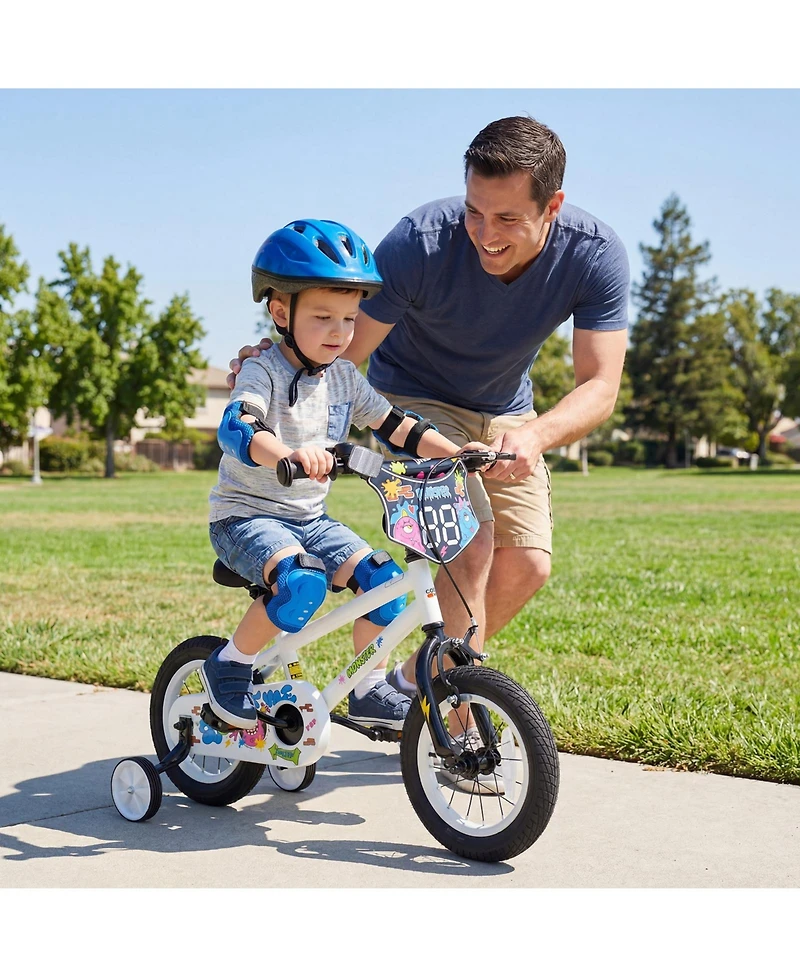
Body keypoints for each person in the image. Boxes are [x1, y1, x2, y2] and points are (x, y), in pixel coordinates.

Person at [228, 115, 630, 698]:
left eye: (507, 218)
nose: (484, 232)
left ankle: (420, 677)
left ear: (553, 206)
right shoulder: (420, 242)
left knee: (529, 565)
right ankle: (459, 723)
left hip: (507, 411)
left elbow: (601, 384)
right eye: (474, 210)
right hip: (409, 399)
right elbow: (340, 353)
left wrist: (536, 437)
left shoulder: (594, 256)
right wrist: (271, 363)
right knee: (470, 541)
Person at [204, 218, 489, 733]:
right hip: (245, 518)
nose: (339, 332)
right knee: (301, 583)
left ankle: (367, 686)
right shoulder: (261, 370)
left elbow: (394, 425)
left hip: (310, 520)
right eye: (322, 317)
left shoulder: (343, 378)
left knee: (383, 583)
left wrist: (456, 453)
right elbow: (238, 426)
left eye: (350, 319)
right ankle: (231, 664)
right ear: (279, 311)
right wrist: (287, 456)